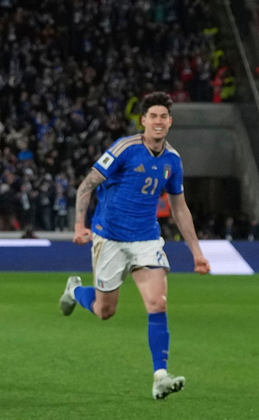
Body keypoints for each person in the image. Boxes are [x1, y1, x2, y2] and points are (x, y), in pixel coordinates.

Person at [59, 91, 211, 399]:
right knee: (105, 311)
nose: (158, 121)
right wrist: (79, 226)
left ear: (170, 122)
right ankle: (75, 290)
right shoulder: (124, 149)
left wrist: (197, 253)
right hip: (109, 237)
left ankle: (160, 375)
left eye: (163, 117)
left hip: (146, 239)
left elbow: (180, 208)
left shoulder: (172, 160)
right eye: (152, 116)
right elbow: (87, 185)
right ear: (143, 120)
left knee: (158, 303)